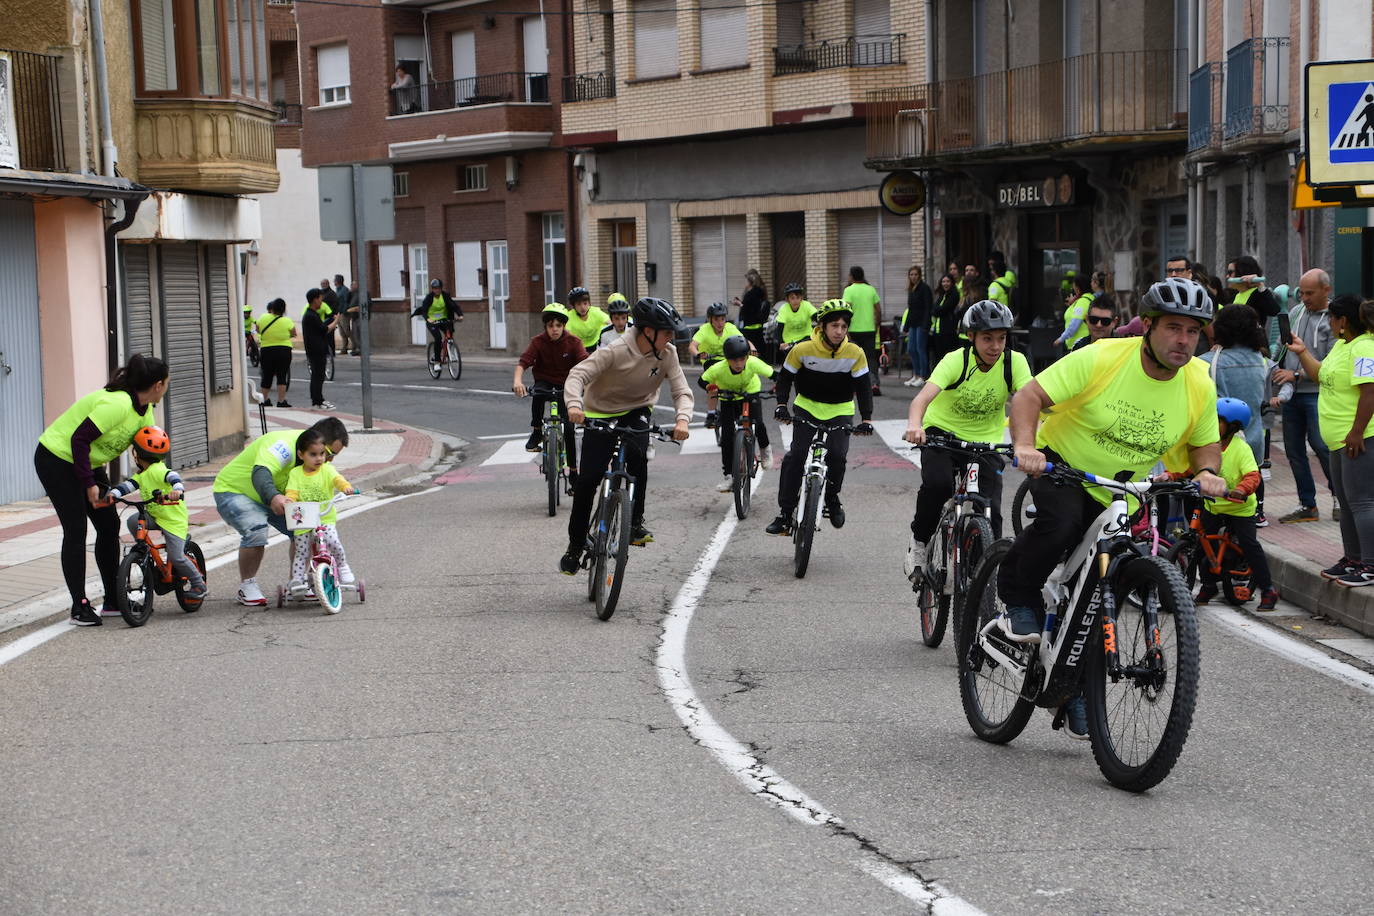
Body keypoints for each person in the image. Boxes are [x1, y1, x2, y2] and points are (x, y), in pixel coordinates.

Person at [1000, 278, 1227, 738]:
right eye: (1173, 328)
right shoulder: (1103, 358)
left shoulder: (1198, 381)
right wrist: (1025, 446)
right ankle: (1017, 593)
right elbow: (1028, 398)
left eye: (1192, 331)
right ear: (1148, 328)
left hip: (1125, 491)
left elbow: (1205, 445)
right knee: (1060, 525)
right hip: (1065, 467)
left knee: (1111, 578)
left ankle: (1077, 685)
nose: (1183, 340)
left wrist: (1207, 473)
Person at [559, 297, 694, 573]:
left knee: (638, 455)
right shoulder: (616, 350)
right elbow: (577, 375)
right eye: (666, 332)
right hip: (601, 411)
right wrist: (574, 405)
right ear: (648, 331)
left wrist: (682, 419)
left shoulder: (667, 353)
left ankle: (634, 524)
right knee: (587, 481)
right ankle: (575, 545)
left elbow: (681, 390)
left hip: (637, 409)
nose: (671, 338)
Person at [35, 354, 170, 625]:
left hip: (87, 462)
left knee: (108, 526)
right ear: (157, 385)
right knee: (76, 529)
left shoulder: (146, 409)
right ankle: (79, 606)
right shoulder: (116, 404)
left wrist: (159, 488)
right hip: (57, 458)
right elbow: (79, 439)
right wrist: (89, 484)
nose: (166, 387)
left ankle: (112, 600)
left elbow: (147, 456)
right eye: (166, 382)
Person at [902, 301, 1031, 581]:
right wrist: (915, 425)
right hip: (943, 435)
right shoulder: (955, 360)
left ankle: (984, 577)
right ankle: (920, 542)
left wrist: (1029, 444)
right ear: (971, 337)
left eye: (1001, 338)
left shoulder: (1014, 362)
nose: (995, 346)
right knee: (937, 486)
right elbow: (921, 399)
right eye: (987, 338)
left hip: (984, 443)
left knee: (991, 510)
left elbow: (1028, 404)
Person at [1283, 295, 1374, 586]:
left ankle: (1370, 564)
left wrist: (1357, 431)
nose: (1330, 324)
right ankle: (1354, 559)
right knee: (1347, 503)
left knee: (1362, 502)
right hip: (1338, 440)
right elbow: (1321, 375)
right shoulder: (1341, 346)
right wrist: (1302, 351)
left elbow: (1370, 392)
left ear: (1342, 321)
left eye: (1332, 319)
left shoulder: (1365, 348)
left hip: (1359, 438)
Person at [765, 300, 876, 536]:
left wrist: (866, 419)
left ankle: (832, 499)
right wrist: (782, 406)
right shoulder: (803, 349)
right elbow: (784, 379)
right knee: (796, 456)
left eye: (844, 326)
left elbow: (864, 387)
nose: (839, 331)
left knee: (838, 456)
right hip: (807, 406)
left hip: (840, 409)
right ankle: (785, 513)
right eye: (834, 325)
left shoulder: (855, 352)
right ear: (822, 326)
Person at [213, 416, 350, 605]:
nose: (329, 459)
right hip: (235, 491)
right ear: (317, 440)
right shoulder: (283, 445)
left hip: (275, 496)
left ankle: (297, 582)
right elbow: (261, 473)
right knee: (256, 530)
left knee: (307, 529)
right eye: (329, 453)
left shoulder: (316, 461)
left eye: (333, 456)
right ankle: (247, 585)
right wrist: (274, 496)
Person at [1169, 398, 1277, 608]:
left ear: (1233, 426)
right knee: (1201, 545)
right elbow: (1191, 468)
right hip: (1213, 504)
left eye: (1217, 421)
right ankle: (1208, 585)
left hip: (1239, 507)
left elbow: (1253, 476)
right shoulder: (1207, 445)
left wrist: (1240, 490)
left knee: (1250, 545)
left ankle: (1268, 590)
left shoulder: (1240, 449)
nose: (1211, 424)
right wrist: (1169, 476)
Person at [106, 425, 207, 601]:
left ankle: (199, 584)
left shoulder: (159, 470)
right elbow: (128, 485)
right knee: (133, 520)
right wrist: (113, 494)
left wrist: (178, 489)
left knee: (176, 558)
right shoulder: (142, 474)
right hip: (155, 516)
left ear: (136, 454)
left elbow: (173, 477)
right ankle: (144, 551)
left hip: (172, 520)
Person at [1272, 268, 1336, 523]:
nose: (1304, 298)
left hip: (1317, 394)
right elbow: (1280, 345)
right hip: (1292, 395)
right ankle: (1307, 505)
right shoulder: (1296, 312)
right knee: (1294, 451)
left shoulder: (1334, 318)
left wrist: (1296, 375)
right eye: (1302, 293)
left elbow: (1332, 363)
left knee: (1322, 447)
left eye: (1310, 293)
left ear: (1326, 290)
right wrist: (1274, 366)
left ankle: (1339, 498)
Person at [1200, 304, 1272, 524]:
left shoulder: (1206, 363)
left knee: (1213, 514)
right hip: (1253, 442)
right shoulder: (1264, 362)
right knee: (1247, 508)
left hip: (1219, 447)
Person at [513, 303, 587, 475]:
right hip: (544, 382)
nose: (554, 329)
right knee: (537, 392)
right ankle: (537, 431)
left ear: (564, 326)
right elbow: (523, 363)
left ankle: (574, 471)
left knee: (569, 429)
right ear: (545, 327)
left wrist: (590, 386)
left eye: (558, 325)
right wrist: (518, 382)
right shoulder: (538, 342)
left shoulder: (574, 343)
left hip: (567, 385)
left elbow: (586, 364)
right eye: (550, 326)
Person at [284, 428, 359, 591]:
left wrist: (346, 487)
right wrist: (289, 499)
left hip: (324, 518)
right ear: (301, 454)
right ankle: (297, 579)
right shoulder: (296, 473)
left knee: (333, 542)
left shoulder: (326, 469)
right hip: (303, 520)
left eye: (322, 454)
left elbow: (337, 479)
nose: (319, 458)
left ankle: (342, 565)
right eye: (313, 454)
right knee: (301, 551)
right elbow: (292, 492)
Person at [701, 334, 774, 491]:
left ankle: (765, 450)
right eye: (734, 360)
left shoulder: (753, 362)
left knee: (758, 422)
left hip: (750, 392)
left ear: (747, 357)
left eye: (742, 359)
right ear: (727, 359)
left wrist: (777, 387)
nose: (739, 363)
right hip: (728, 397)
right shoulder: (718, 368)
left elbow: (775, 374)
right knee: (727, 436)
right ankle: (729, 476)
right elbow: (703, 380)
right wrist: (710, 387)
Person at [691, 302, 746, 429]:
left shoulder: (730, 328)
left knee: (741, 375)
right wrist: (698, 354)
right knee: (713, 384)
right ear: (710, 319)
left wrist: (752, 349)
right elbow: (692, 346)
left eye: (723, 319)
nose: (720, 323)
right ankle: (711, 414)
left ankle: (742, 408)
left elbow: (744, 341)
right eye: (716, 319)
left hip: (728, 361)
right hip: (711, 362)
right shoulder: (705, 329)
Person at [842, 265, 882, 396]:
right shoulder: (871, 289)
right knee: (870, 358)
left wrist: (845, 329)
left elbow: (845, 311)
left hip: (853, 330)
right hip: (869, 329)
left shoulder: (849, 290)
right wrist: (877, 326)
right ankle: (874, 383)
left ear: (852, 276)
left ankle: (854, 386)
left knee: (853, 357)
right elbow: (878, 310)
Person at [255, 298, 296, 407]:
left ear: (272, 308)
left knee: (267, 375)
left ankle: (264, 400)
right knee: (282, 375)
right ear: (283, 309)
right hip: (284, 350)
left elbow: (258, 329)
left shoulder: (263, 317)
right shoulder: (287, 321)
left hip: (266, 349)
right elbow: (294, 333)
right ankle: (281, 401)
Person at [302, 288, 336, 410]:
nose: (321, 301)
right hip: (316, 350)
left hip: (315, 349)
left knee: (318, 375)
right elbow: (324, 329)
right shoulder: (311, 315)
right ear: (315, 299)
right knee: (318, 375)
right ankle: (318, 401)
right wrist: (336, 321)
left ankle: (317, 400)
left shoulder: (311, 314)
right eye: (320, 298)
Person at [1224, 255, 1280, 326]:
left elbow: (1274, 310)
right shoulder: (1234, 294)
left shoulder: (1257, 294)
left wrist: (1260, 285)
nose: (1227, 276)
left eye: (1230, 272)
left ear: (1242, 272)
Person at [414, 277, 464, 357]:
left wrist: (460, 315)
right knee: (438, 338)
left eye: (438, 288)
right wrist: (428, 318)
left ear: (441, 288)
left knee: (449, 335)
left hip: (443, 320)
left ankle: (449, 352)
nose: (437, 290)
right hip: (432, 322)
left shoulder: (445, 296)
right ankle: (437, 361)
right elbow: (424, 310)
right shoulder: (429, 298)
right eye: (435, 288)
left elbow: (453, 305)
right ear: (432, 289)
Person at [902, 265, 933, 385]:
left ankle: (923, 375)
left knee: (921, 349)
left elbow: (927, 307)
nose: (913, 277)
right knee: (911, 349)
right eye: (911, 274)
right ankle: (916, 374)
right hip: (913, 324)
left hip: (922, 324)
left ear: (919, 275)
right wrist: (906, 327)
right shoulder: (912, 289)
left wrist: (926, 324)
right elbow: (911, 309)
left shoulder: (924, 289)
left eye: (915, 274)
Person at [734, 268, 770, 360]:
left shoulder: (751, 293)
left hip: (749, 323)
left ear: (749, 281)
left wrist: (740, 304)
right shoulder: (761, 290)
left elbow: (747, 307)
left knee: (750, 345)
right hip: (758, 323)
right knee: (759, 343)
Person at [774, 283, 817, 358]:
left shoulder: (806, 305)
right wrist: (780, 343)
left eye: (798, 297)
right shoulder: (784, 308)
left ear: (801, 298)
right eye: (792, 298)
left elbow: (816, 317)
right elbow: (779, 328)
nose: (795, 300)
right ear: (787, 299)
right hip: (789, 342)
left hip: (806, 339)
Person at [1057, 271, 1093, 351]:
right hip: (1082, 344)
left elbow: (1074, 324)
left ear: (1078, 287)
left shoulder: (1082, 302)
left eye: (1074, 285)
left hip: (1079, 345)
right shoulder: (1089, 299)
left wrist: (1061, 339)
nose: (1072, 288)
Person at [565, 286, 607, 353]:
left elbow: (610, 322)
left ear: (589, 303)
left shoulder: (595, 311)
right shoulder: (569, 316)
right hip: (578, 348)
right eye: (578, 304)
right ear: (574, 306)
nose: (582, 307)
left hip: (597, 347)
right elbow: (566, 334)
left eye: (585, 303)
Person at [929, 272, 960, 363]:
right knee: (938, 356)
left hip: (948, 330)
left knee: (947, 356)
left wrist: (937, 311)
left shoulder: (954, 294)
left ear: (952, 283)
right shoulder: (942, 295)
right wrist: (936, 310)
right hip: (938, 330)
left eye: (947, 281)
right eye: (943, 281)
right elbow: (934, 309)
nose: (945, 284)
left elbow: (945, 309)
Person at [333, 275, 356, 356]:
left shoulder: (344, 290)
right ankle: (344, 348)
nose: (334, 282)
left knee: (347, 330)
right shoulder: (338, 290)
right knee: (342, 332)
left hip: (344, 313)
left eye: (335, 280)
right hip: (339, 313)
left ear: (338, 281)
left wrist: (344, 311)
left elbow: (346, 302)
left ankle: (354, 345)